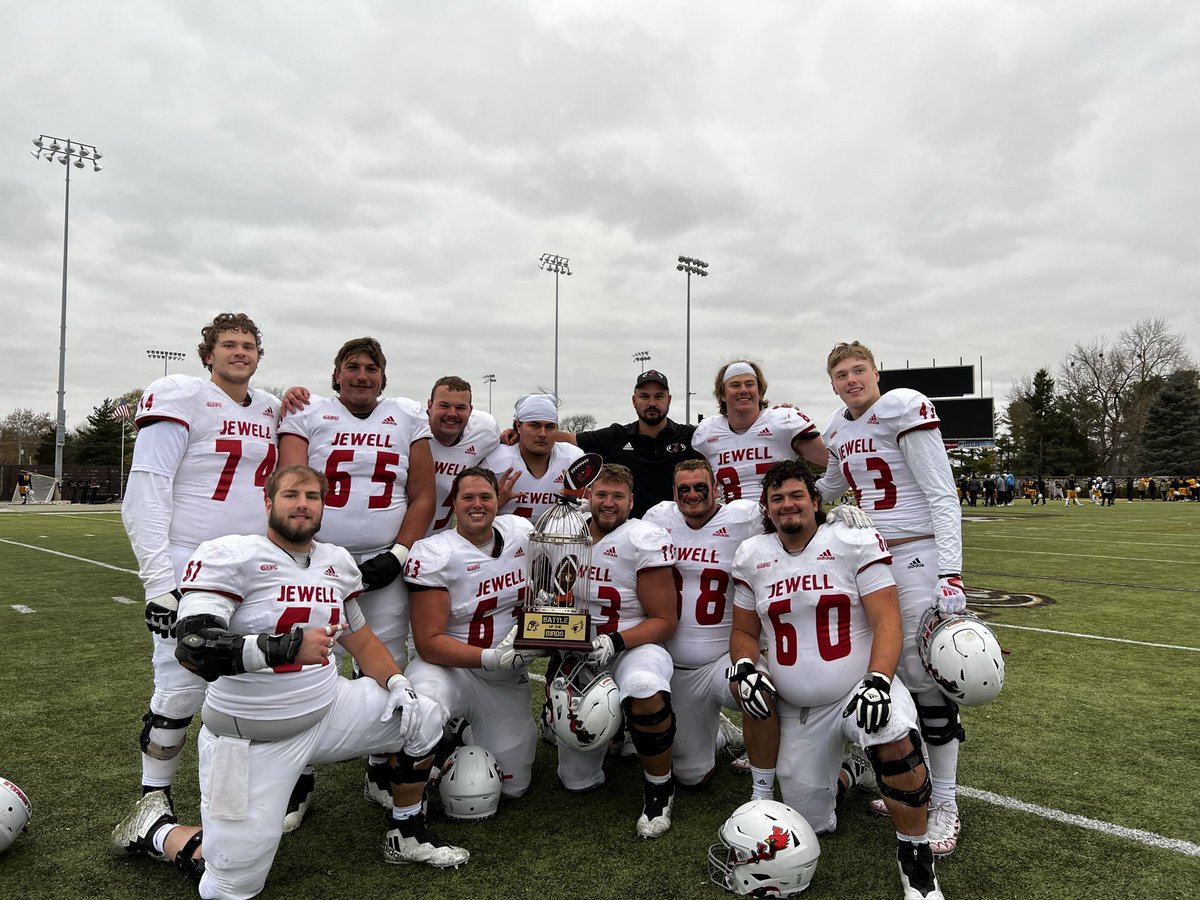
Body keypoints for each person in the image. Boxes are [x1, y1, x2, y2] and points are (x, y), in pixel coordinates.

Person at [110, 465, 468, 897]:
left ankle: (405, 833)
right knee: (229, 887)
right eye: (291, 494)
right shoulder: (232, 553)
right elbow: (194, 646)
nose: (303, 503)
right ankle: (156, 829)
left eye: (313, 496)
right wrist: (280, 647)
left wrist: (396, 682)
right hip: (251, 737)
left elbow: (360, 638)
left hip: (329, 709)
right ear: (267, 503)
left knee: (423, 715)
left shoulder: (335, 562)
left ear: (323, 506)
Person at [729, 460, 944, 900]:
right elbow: (744, 631)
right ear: (766, 509)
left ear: (814, 500)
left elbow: (887, 620)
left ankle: (917, 862)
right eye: (777, 498)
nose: (787, 505)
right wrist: (747, 665)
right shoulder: (753, 555)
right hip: (801, 709)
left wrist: (879, 679)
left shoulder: (851, 540)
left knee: (893, 734)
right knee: (811, 821)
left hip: (857, 689)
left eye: (796, 495)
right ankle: (851, 771)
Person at [121, 313, 280, 812]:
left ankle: (260, 791)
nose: (240, 352)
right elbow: (146, 489)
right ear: (206, 353)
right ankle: (154, 795)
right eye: (229, 344)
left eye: (249, 345)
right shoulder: (182, 395)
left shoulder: (272, 409)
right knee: (180, 684)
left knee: (259, 681)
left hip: (255, 565)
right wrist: (156, 581)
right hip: (190, 560)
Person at [813, 341, 966, 858]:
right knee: (881, 670)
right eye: (841, 374)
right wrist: (815, 504)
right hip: (871, 558)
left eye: (858, 370)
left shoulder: (903, 404)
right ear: (831, 383)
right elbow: (832, 483)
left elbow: (942, 493)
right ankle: (910, 777)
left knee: (925, 680)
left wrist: (951, 573)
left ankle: (944, 801)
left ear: (875, 373)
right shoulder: (836, 427)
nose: (851, 380)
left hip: (917, 553)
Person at [278, 337, 435, 822]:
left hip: (384, 562)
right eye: (353, 367)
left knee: (383, 661)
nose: (362, 375)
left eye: (371, 368)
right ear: (337, 373)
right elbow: (290, 486)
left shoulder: (408, 415)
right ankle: (295, 776)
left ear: (384, 377)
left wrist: (399, 552)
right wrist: (305, 553)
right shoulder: (308, 413)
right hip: (319, 557)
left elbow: (423, 495)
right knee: (301, 659)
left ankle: (376, 765)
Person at [404, 466, 541, 805]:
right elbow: (429, 642)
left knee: (514, 784)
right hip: (448, 668)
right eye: (468, 497)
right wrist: (491, 657)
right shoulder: (434, 553)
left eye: (485, 496)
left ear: (498, 501)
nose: (477, 504)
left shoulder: (521, 532)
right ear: (454, 502)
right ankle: (408, 794)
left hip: (503, 676)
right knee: (422, 709)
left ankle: (462, 731)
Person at [557, 464, 679, 838]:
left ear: (631, 500)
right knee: (577, 781)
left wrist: (616, 640)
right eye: (601, 494)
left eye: (618, 496)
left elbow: (665, 619)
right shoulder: (568, 532)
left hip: (633, 646)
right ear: (589, 496)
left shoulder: (643, 538)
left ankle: (660, 787)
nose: (608, 503)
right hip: (579, 655)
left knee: (644, 686)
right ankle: (613, 734)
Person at [641, 459, 761, 787]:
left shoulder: (743, 519)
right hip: (677, 666)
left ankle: (781, 757)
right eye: (684, 489)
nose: (692, 495)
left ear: (716, 488)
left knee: (761, 690)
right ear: (673, 493)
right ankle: (717, 731)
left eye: (700, 487)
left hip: (726, 656)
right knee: (691, 777)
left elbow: (792, 524)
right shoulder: (658, 519)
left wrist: (830, 521)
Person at [505, 370, 702, 518]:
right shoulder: (616, 436)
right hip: (628, 532)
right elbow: (569, 438)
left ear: (669, 400)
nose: (652, 402)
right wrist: (520, 432)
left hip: (678, 530)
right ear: (634, 400)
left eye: (659, 396)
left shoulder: (690, 436)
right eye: (644, 396)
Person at [691, 361, 827, 502]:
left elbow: (837, 461)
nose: (743, 390)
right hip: (732, 520)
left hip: (781, 520)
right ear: (722, 394)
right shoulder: (706, 433)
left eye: (749, 384)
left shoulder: (785, 421)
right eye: (735, 385)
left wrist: (815, 494)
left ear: (760, 391)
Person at [415, 376, 501, 535]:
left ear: (471, 410)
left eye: (461, 407)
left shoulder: (485, 432)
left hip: (440, 541)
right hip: (397, 541)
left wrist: (516, 434)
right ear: (429, 405)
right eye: (444, 405)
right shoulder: (412, 430)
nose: (452, 414)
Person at [482, 393, 583, 521]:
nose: (543, 434)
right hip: (506, 539)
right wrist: (497, 503)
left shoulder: (573, 459)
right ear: (518, 426)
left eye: (550, 427)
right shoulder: (495, 459)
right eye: (534, 425)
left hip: (557, 539)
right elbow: (472, 517)